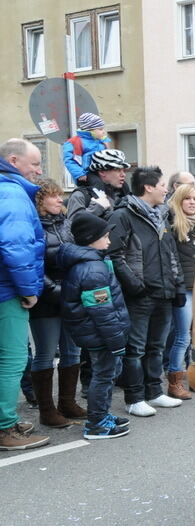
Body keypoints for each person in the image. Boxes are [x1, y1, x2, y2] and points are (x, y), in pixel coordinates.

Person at [108, 166, 186, 417]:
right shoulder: (123, 215)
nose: (166, 189)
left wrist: (178, 287)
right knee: (136, 349)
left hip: (163, 293)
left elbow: (171, 254)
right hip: (140, 296)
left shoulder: (162, 215)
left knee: (157, 347)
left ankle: (154, 392)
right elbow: (114, 254)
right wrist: (134, 285)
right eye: (163, 185)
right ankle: (134, 398)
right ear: (148, 187)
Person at [59, 213, 130, 439]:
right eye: (105, 236)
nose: (109, 241)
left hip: (97, 333)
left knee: (106, 374)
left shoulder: (94, 262)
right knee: (103, 375)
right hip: (100, 334)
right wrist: (116, 340)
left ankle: (102, 415)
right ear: (92, 238)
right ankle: (97, 423)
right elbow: (101, 311)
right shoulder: (92, 269)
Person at [0, 139, 49, 450]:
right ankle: (5, 428)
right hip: (7, 290)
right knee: (13, 360)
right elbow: (15, 246)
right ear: (14, 161)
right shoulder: (12, 192)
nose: (39, 170)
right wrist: (29, 290)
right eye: (34, 164)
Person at [30, 179, 86, 428]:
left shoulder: (65, 223)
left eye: (59, 195)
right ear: (40, 200)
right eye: (53, 196)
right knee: (45, 354)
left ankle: (67, 403)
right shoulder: (33, 226)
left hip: (70, 296)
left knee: (72, 351)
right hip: (46, 301)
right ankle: (47, 410)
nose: (59, 200)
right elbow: (33, 266)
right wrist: (56, 291)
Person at [165, 183, 195, 399]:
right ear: (179, 201)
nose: (192, 202)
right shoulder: (173, 227)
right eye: (187, 199)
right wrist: (178, 287)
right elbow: (173, 262)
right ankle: (175, 382)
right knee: (182, 337)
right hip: (184, 289)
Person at [65, 148, 131, 220]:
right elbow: (71, 227)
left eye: (124, 170)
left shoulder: (124, 195)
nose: (123, 174)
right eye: (118, 170)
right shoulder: (80, 196)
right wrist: (96, 208)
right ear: (102, 171)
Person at [61, 112, 112, 185]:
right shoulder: (74, 142)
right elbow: (69, 160)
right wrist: (79, 174)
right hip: (86, 174)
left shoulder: (102, 141)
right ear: (90, 130)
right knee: (97, 184)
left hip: (103, 172)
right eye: (100, 129)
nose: (103, 132)